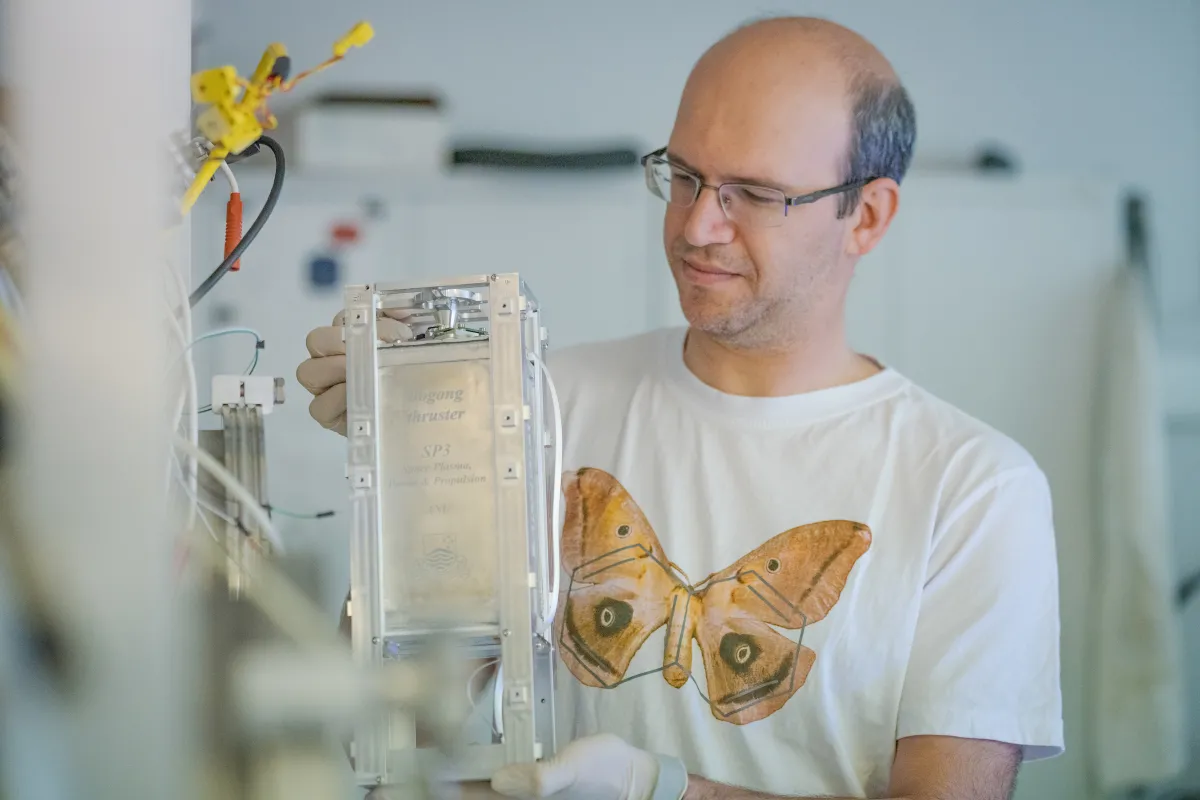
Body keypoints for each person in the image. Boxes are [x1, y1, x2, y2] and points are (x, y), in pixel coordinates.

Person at [297, 15, 1063, 800]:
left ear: (866, 216)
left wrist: (661, 792)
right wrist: (418, 465)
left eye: (754, 195)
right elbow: (386, 732)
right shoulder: (541, 409)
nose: (697, 226)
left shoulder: (973, 489)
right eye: (686, 176)